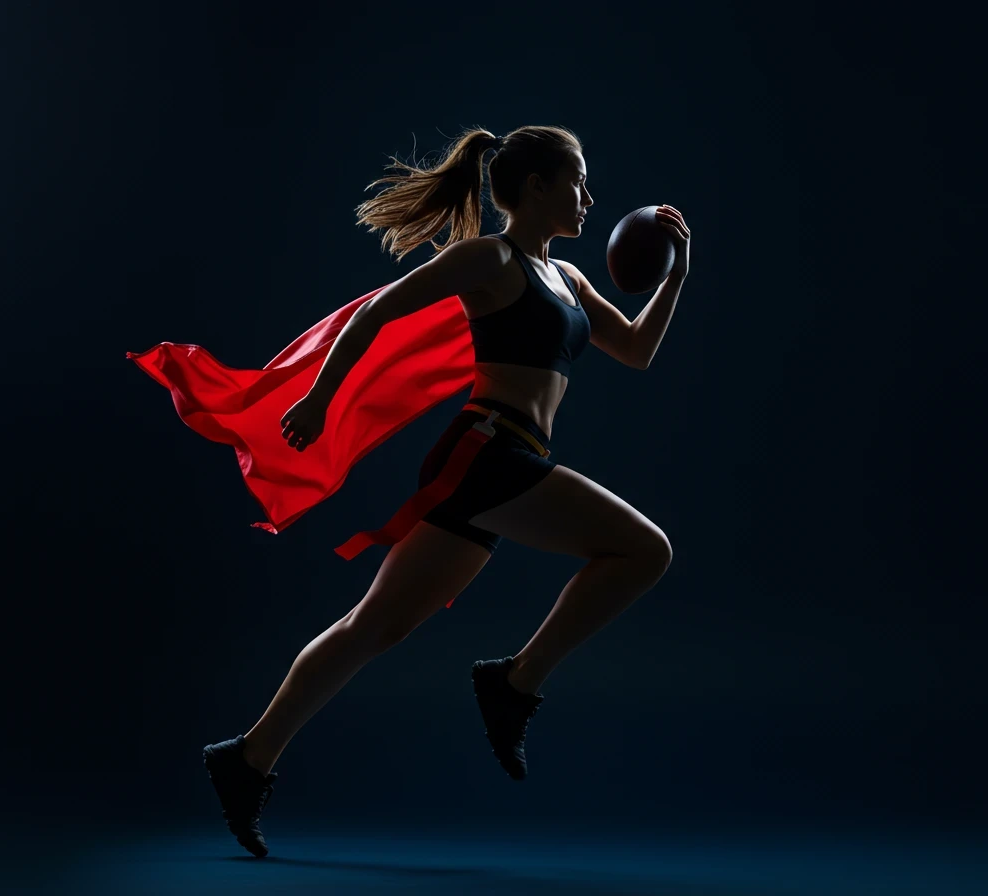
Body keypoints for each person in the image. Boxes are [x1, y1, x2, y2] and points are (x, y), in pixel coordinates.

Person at [200, 125, 691, 857]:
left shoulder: (567, 277)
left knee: (375, 627)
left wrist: (675, 274)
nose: (590, 198)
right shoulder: (490, 259)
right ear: (537, 187)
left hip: (508, 457)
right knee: (644, 551)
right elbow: (377, 312)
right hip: (488, 453)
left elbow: (637, 351)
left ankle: (246, 758)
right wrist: (321, 398)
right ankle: (515, 683)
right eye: (578, 182)